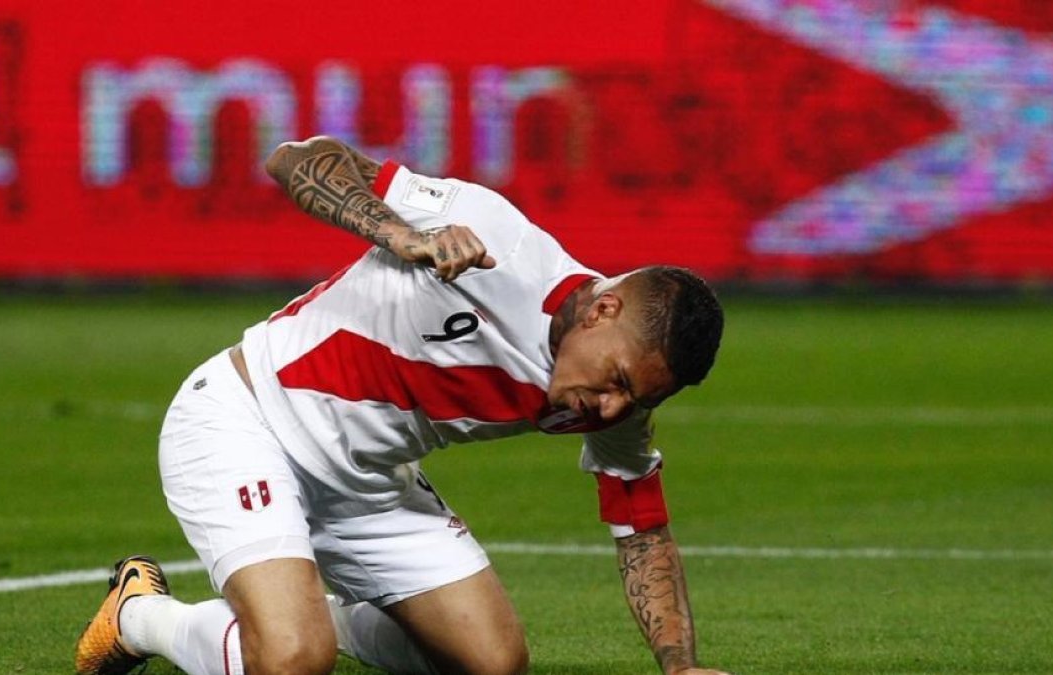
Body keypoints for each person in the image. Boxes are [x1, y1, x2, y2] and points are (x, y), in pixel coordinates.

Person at [74, 135, 727, 675]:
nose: (612, 408)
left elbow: (643, 529)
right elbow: (293, 159)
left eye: (635, 398)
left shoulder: (613, 404)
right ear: (603, 310)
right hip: (246, 420)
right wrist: (399, 233)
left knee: (492, 662)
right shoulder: (500, 243)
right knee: (293, 658)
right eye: (616, 379)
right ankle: (142, 615)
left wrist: (680, 665)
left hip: (366, 483)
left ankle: (304, 608)